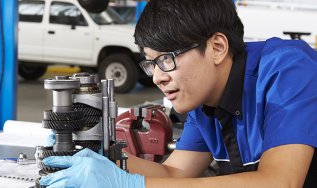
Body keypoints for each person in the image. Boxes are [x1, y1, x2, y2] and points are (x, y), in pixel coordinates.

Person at [39, 0, 317, 187]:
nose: (158, 77)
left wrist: (133, 184)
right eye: (151, 62)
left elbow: (280, 181)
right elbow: (175, 174)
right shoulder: (202, 101)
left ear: (217, 47)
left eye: (167, 59)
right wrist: (103, 155)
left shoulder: (288, 69)